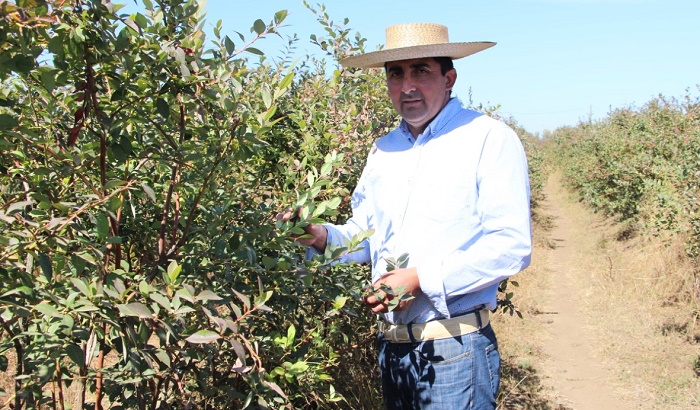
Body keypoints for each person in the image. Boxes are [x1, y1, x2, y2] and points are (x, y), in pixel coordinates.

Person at [280, 22, 532, 409]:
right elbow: (367, 235)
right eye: (395, 74)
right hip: (392, 351)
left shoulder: (487, 139)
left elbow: (511, 247)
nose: (407, 86)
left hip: (455, 351)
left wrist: (419, 280)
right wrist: (319, 236)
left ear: (449, 78)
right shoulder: (384, 150)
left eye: (421, 71)